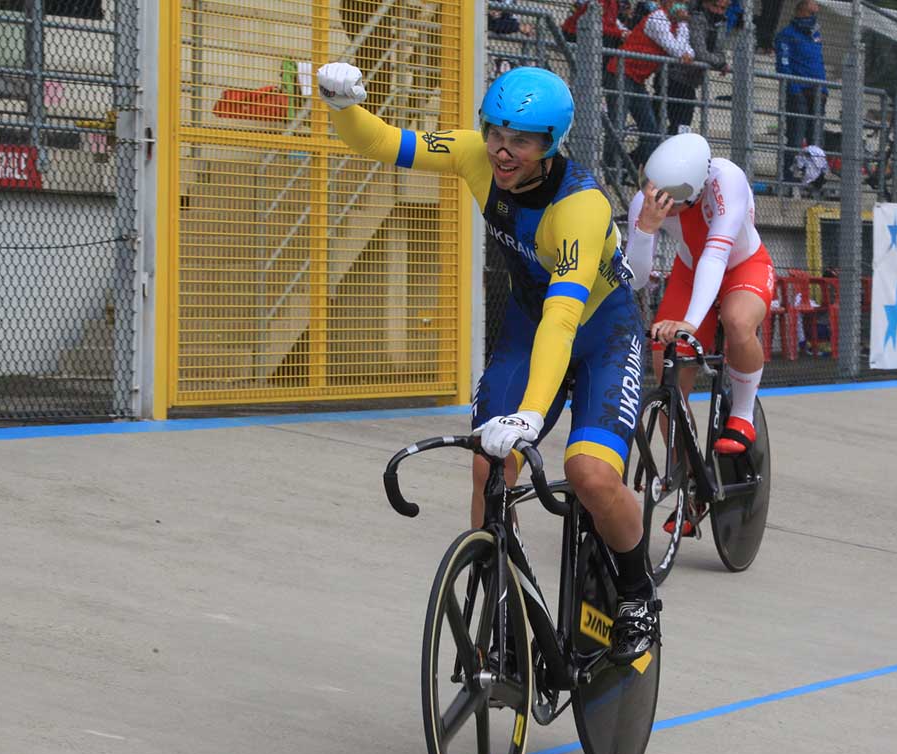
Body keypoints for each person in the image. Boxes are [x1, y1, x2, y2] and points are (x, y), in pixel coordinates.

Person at [317, 63, 659, 664]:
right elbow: (385, 144)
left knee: (591, 474)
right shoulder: (477, 153)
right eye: (495, 132)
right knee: (488, 468)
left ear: (551, 144)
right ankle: (498, 605)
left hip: (598, 331)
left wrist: (530, 415)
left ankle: (637, 596)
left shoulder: (580, 206)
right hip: (530, 328)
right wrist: (341, 105)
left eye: (522, 140)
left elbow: (564, 317)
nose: (503, 151)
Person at [624, 133, 774, 479]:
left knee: (737, 321)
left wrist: (690, 322)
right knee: (669, 385)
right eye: (652, 192)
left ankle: (742, 412)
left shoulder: (727, 179)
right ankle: (689, 481)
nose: (658, 203)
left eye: (670, 201)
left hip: (743, 265)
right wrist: (646, 229)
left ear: (694, 193)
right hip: (690, 272)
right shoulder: (647, 201)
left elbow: (716, 254)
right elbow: (637, 279)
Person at [605, 0, 695, 168]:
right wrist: (683, 25)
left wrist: (682, 28)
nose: (681, 5)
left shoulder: (676, 24)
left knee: (650, 130)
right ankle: (609, 169)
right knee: (617, 125)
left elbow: (688, 51)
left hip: (636, 79)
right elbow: (675, 50)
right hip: (620, 73)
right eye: (677, 1)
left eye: (684, 2)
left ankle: (641, 170)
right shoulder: (657, 19)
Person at [774, 0, 826, 186]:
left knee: (816, 138)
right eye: (812, 14)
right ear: (802, 12)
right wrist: (794, 89)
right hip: (799, 91)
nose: (815, 18)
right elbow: (783, 65)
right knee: (796, 136)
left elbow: (819, 63)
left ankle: (816, 177)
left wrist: (824, 89)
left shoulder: (815, 34)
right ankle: (788, 177)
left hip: (818, 91)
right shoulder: (786, 35)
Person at [666, 0, 731, 136]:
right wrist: (719, 63)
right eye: (715, 6)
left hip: (689, 82)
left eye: (722, 8)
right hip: (673, 78)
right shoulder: (697, 18)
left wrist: (720, 61)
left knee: (682, 128)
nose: (718, 11)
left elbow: (720, 52)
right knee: (668, 126)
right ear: (706, 4)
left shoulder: (720, 23)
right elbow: (700, 53)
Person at [561, 0, 630, 48]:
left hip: (591, 32)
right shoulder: (599, 2)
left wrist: (623, 33)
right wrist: (620, 33)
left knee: (621, 39)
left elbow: (611, 24)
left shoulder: (614, 3)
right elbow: (596, 26)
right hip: (575, 33)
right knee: (610, 38)